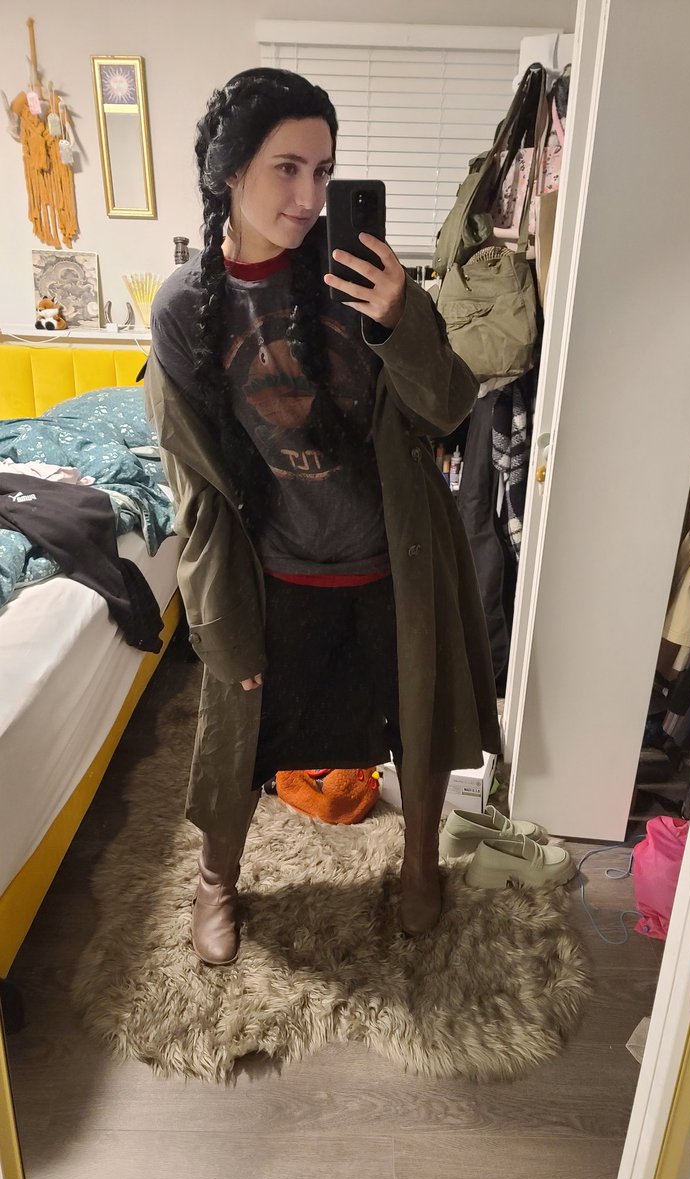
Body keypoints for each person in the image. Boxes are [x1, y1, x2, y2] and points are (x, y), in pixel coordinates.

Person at [144, 67, 501, 966]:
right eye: (287, 168)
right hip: (274, 574)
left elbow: (447, 407)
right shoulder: (185, 309)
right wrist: (217, 618)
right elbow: (195, 483)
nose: (309, 197)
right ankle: (216, 880)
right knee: (239, 737)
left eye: (325, 171)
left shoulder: (359, 276)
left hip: (392, 562)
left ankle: (419, 865)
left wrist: (400, 319)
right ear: (230, 172)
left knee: (416, 724)